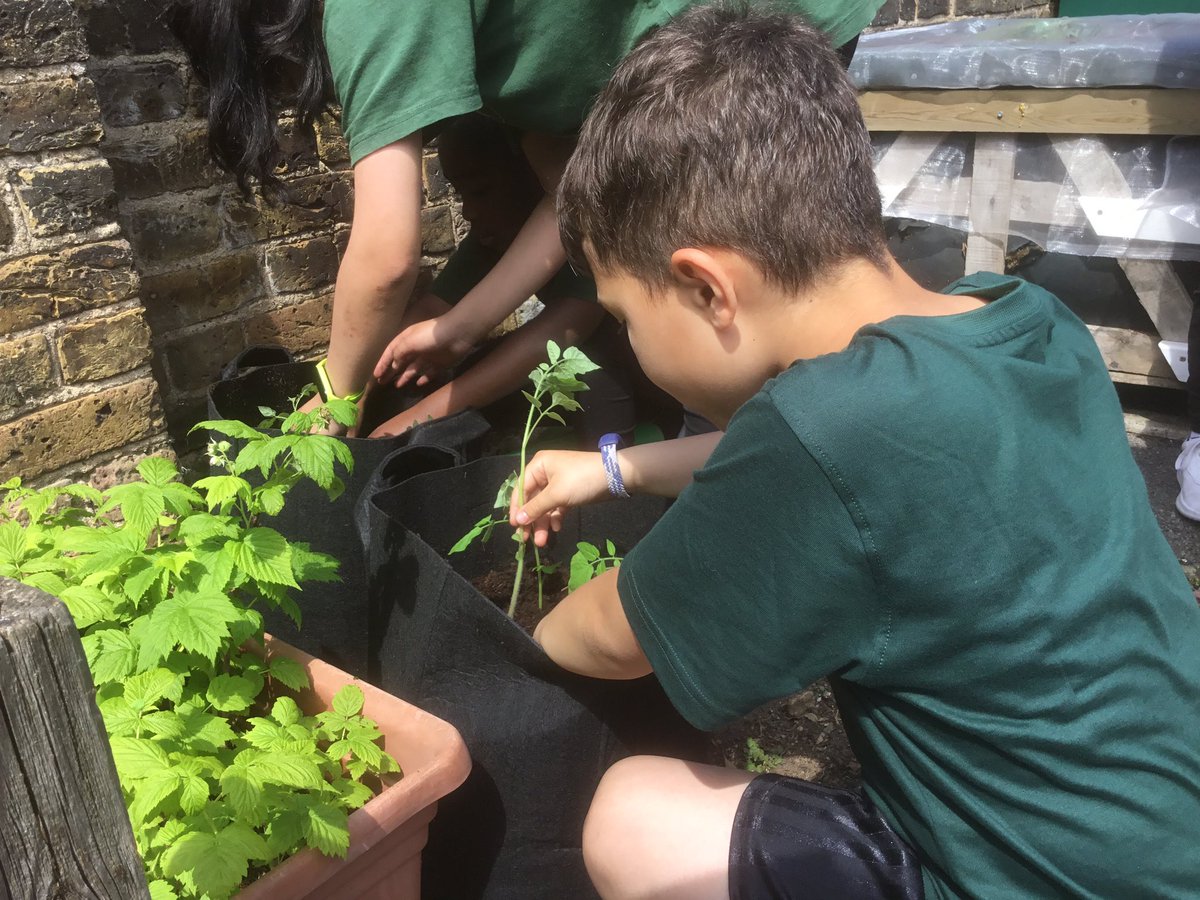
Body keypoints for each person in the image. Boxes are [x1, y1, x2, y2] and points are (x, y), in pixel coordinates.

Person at [506, 6, 1200, 898]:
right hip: (1166, 823)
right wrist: (614, 468)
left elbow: (612, 639)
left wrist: (522, 637)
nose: (630, 343)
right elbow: (830, 472)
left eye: (625, 318)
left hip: (1048, 881)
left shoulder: (827, 432)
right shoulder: (1020, 323)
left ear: (706, 288)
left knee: (634, 817)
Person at [170, 0, 882, 432]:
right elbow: (568, 178)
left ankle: (760, 489)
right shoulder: (540, 130)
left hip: (753, 26)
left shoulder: (366, 12)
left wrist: (338, 398)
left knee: (740, 287)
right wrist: (459, 324)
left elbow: (387, 254)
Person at [365, 114, 678, 442]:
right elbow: (431, 310)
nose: (468, 211)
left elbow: (553, 335)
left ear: (538, 179)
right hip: (587, 363)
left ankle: (615, 474)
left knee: (591, 360)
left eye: (481, 191)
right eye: (461, 194)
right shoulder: (494, 237)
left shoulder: (593, 237)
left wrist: (412, 423)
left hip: (659, 385)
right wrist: (355, 388)